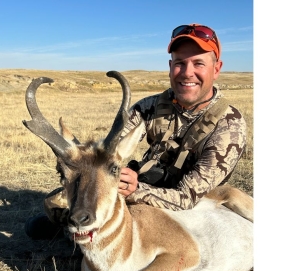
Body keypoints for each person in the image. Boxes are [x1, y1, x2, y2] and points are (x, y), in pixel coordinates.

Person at [25, 23, 247, 239]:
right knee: (57, 200)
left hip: (191, 207)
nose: (187, 73)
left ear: (216, 69)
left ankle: (76, 231)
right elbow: (110, 150)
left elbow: (186, 197)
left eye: (198, 63)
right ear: (171, 67)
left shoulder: (229, 126)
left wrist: (136, 190)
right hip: (144, 183)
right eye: (180, 63)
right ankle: (74, 222)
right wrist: (79, 160)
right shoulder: (149, 106)